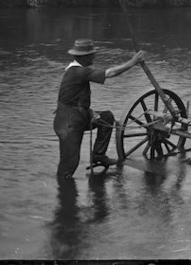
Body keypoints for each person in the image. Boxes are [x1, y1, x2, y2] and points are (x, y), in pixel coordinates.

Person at [54, 38, 144, 179]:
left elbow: (69, 98)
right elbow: (109, 73)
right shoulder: (79, 72)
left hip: (76, 117)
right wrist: (131, 63)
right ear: (84, 57)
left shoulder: (74, 71)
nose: (94, 56)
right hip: (69, 124)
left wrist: (88, 110)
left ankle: (98, 155)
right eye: (92, 54)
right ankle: (64, 191)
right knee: (69, 165)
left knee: (106, 118)